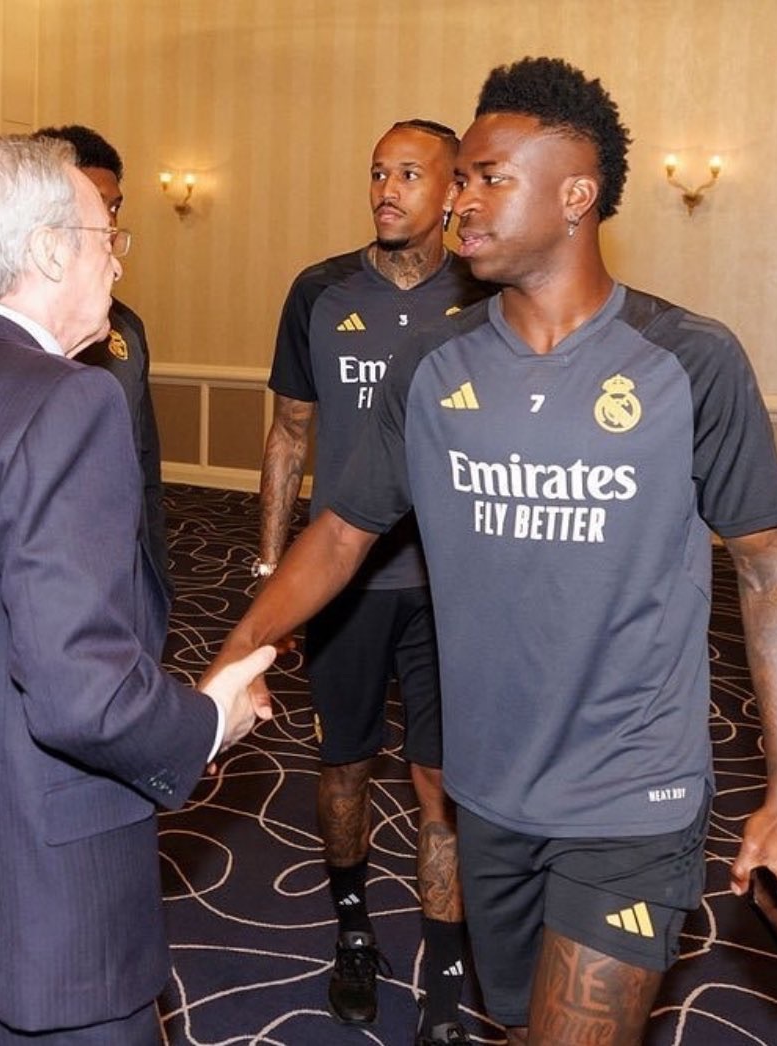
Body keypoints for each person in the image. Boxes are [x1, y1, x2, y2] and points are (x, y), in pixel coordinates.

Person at [212, 57, 777, 1046]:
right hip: (485, 784)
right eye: (461, 180)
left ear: (576, 196)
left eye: (489, 178)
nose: (461, 201)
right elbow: (342, 531)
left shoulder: (689, 359)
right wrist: (234, 656)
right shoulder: (432, 362)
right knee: (516, 1019)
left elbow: (768, 574)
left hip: (630, 791)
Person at [0, 134, 276, 1045]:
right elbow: (82, 693)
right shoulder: (69, 402)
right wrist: (208, 721)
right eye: (106, 234)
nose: (117, 257)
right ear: (46, 249)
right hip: (42, 900)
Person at [257, 119, 489, 1044]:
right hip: (343, 585)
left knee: (441, 780)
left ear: (453, 191)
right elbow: (288, 437)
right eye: (376, 173)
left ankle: (446, 974)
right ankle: (352, 932)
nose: (386, 190)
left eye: (408, 174)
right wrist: (272, 572)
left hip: (450, 589)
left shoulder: (484, 294)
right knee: (344, 766)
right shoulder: (319, 291)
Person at [0, 124, 171, 592]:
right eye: (95, 206)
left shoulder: (125, 329)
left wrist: (153, 572)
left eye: (115, 207)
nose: (110, 227)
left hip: (116, 560)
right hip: (18, 571)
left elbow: (142, 459)